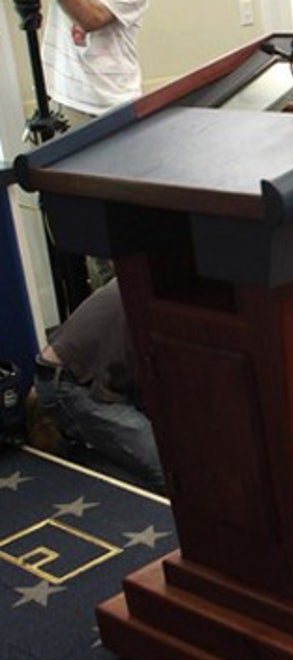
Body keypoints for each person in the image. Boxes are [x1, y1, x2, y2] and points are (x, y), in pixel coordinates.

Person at [41, 0, 150, 291]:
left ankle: (127, 321)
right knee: (83, 229)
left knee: (115, 236)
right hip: (67, 104)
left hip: (111, 111)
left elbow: (92, 17)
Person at [33, 279, 163, 492]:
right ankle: (76, 463)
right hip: (70, 384)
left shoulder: (142, 276)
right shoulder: (153, 295)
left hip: (103, 375)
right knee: (165, 473)